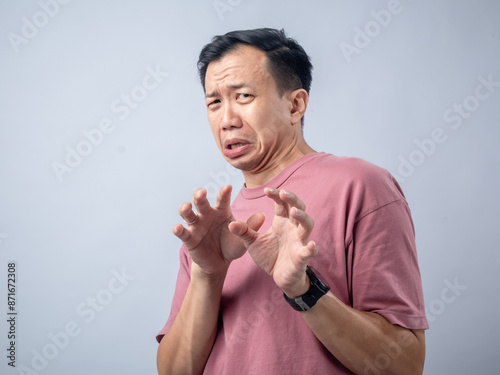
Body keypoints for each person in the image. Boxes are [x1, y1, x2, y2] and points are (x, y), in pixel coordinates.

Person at [156, 28, 428, 375]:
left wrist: (303, 289)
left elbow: (404, 366)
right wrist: (208, 274)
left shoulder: (360, 186)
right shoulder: (212, 228)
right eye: (214, 102)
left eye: (243, 96)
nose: (226, 120)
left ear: (295, 105)